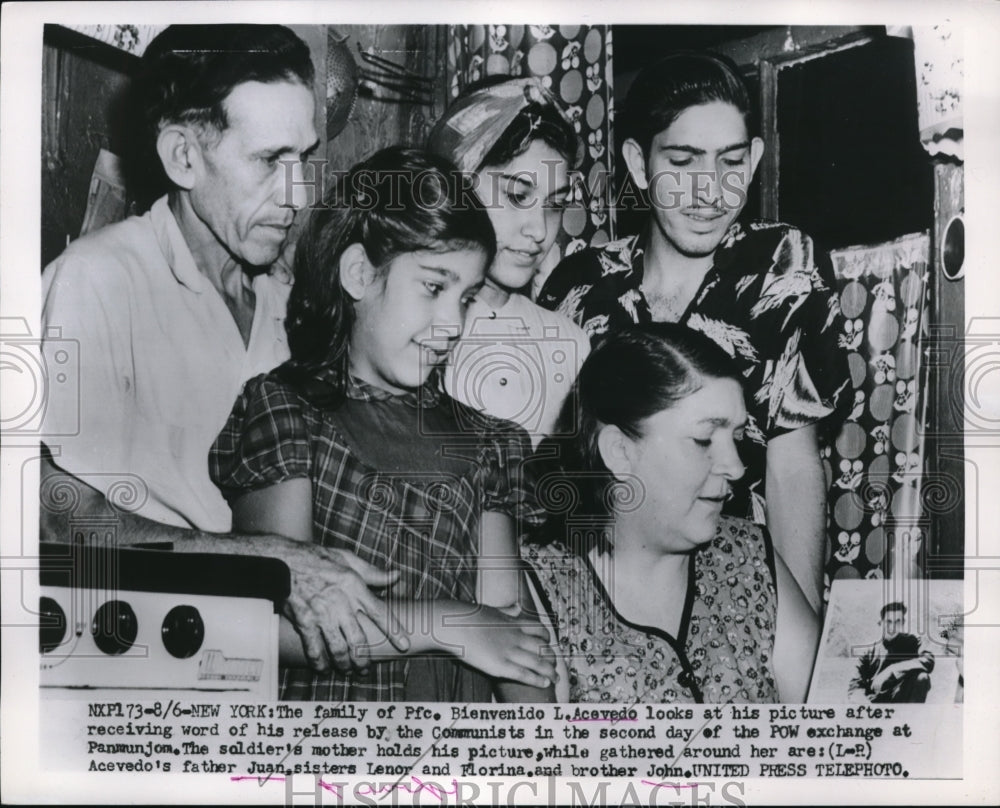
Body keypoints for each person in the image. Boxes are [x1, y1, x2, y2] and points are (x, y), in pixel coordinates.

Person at [39, 24, 409, 674]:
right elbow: (58, 519)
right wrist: (270, 562)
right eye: (269, 160)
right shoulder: (98, 279)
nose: (297, 194)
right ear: (184, 157)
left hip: (255, 665)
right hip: (129, 662)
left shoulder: (286, 305)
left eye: (303, 158)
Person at [209, 147, 556, 702]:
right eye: (434, 287)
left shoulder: (488, 444)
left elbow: (512, 636)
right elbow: (268, 626)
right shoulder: (288, 412)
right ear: (358, 273)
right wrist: (444, 623)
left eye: (466, 298)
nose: (453, 323)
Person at [536, 53, 852, 611]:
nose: (710, 192)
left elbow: (793, 468)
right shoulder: (579, 287)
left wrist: (794, 631)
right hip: (602, 594)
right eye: (682, 162)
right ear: (639, 164)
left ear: (754, 161)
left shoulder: (785, 267)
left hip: (739, 595)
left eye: (731, 162)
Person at [523, 323, 819, 703]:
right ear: (619, 452)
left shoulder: (750, 555)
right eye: (703, 440)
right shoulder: (540, 585)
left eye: (736, 438)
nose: (736, 467)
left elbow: (826, 718)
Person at [428, 76, 591, 447]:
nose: (539, 230)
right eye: (518, 195)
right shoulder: (412, 331)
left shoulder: (570, 344)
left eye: (555, 204)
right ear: (458, 185)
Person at [848, 602, 934, 703]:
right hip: (875, 704)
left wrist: (892, 670)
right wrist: (864, 703)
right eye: (888, 621)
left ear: (903, 622)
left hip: (902, 699)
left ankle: (912, 713)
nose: (892, 627)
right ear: (880, 622)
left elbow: (928, 660)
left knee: (922, 677)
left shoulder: (913, 642)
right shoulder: (868, 652)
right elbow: (854, 687)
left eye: (897, 621)